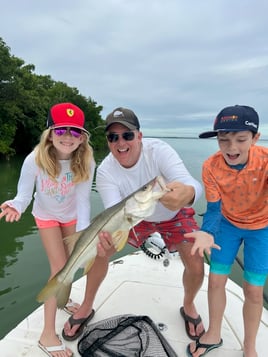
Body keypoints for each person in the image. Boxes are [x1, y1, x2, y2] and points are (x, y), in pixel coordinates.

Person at [62, 107, 206, 343]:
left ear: (139, 136)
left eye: (127, 135)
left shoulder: (159, 151)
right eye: (113, 137)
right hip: (133, 218)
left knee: (196, 260)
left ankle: (189, 306)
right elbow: (113, 211)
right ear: (108, 141)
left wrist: (189, 193)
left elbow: (190, 183)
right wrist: (109, 238)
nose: (121, 143)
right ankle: (85, 307)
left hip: (172, 213)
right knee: (101, 248)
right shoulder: (106, 170)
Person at [0, 102, 95, 357]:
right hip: (46, 217)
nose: (67, 137)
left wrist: (84, 233)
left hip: (73, 216)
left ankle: (63, 301)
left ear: (82, 137)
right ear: (50, 133)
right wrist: (15, 206)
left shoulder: (86, 159)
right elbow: (23, 195)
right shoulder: (35, 159)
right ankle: (47, 334)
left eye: (75, 132)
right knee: (59, 268)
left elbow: (84, 200)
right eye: (61, 130)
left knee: (73, 263)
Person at [185, 105, 268, 357]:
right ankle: (213, 333)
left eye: (241, 139)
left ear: (255, 138)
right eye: (224, 140)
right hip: (227, 224)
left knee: (254, 290)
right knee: (216, 280)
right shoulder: (210, 166)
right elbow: (213, 208)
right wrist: (207, 231)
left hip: (262, 229)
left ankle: (250, 347)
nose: (231, 148)